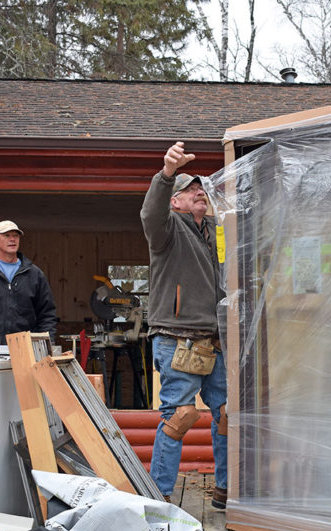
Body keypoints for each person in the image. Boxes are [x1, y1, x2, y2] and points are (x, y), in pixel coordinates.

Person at [141, 141, 228, 509]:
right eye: (189, 189)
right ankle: (158, 495)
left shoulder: (215, 230)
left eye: (201, 189)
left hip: (215, 338)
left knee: (226, 416)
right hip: (177, 338)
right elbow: (150, 214)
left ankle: (226, 490)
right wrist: (166, 175)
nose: (198, 192)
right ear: (174, 201)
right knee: (178, 417)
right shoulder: (166, 230)